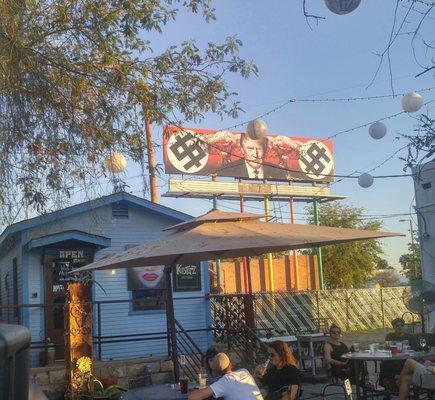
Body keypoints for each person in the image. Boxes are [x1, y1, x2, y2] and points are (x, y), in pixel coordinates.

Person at [216, 129, 288, 180]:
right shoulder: (226, 170)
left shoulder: (278, 171)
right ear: (242, 150)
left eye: (259, 149)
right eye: (250, 149)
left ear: (265, 151)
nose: (255, 154)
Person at [188, 352, 263, 400]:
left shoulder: (224, 382)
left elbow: (192, 397)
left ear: (216, 371)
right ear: (230, 364)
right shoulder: (244, 371)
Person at [379, 317, 418, 391]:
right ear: (394, 327)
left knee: (396, 364)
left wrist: (409, 349)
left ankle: (396, 383)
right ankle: (386, 384)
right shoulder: (390, 336)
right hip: (392, 358)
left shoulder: (409, 336)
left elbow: (415, 348)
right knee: (384, 364)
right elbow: (386, 348)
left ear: (404, 327)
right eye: (397, 326)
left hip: (405, 360)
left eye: (401, 325)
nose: (400, 327)